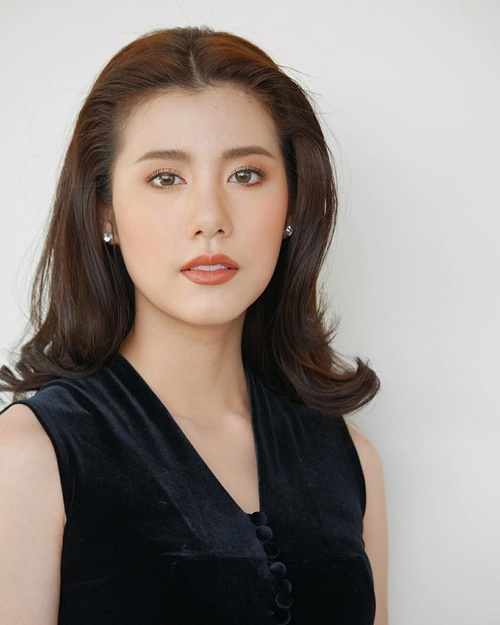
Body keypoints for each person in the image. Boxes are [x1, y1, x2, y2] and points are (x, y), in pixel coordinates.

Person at [0, 26, 388, 625]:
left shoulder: (351, 459)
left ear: (293, 202)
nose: (210, 218)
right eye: (166, 178)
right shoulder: (29, 455)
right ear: (105, 212)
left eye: (246, 175)